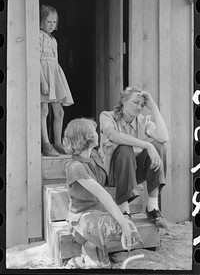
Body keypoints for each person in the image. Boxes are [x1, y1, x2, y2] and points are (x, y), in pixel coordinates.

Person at [63, 118, 143, 269]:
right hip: (82, 220)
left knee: (127, 225)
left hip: (98, 214)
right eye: (94, 131)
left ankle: (97, 246)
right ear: (87, 137)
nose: (98, 134)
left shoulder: (92, 155)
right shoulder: (74, 166)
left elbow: (102, 178)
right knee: (123, 224)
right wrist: (124, 225)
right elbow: (103, 194)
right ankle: (89, 246)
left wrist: (105, 154)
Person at [99, 86, 169, 229]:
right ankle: (124, 209)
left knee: (159, 146)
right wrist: (147, 146)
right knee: (125, 148)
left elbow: (163, 137)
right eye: (135, 102)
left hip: (131, 174)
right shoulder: (107, 116)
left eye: (142, 105)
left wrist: (154, 107)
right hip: (109, 173)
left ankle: (152, 207)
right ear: (124, 101)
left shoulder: (143, 121)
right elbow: (115, 136)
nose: (139, 107)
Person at [40, 5, 74, 156]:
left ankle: (58, 143)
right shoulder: (38, 36)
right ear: (41, 20)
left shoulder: (54, 40)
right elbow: (36, 59)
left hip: (54, 75)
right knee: (44, 110)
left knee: (59, 112)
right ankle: (46, 144)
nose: (52, 25)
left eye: (54, 22)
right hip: (43, 75)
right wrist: (42, 81)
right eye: (49, 21)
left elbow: (55, 61)